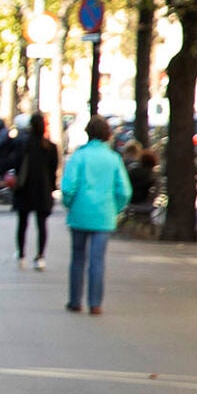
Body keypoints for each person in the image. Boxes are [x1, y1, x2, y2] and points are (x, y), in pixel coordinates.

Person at [59, 116, 132, 315]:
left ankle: (75, 300)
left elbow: (68, 187)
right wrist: (115, 208)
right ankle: (95, 303)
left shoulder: (79, 157)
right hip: (104, 215)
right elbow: (124, 191)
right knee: (97, 260)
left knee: (78, 258)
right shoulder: (113, 158)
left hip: (80, 213)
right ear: (108, 135)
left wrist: (69, 204)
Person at [9, 111, 59, 269]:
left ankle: (21, 254)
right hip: (43, 190)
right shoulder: (50, 147)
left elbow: (15, 163)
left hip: (25, 189)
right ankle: (40, 256)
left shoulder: (22, 144)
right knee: (41, 224)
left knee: (22, 223)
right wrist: (51, 189)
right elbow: (53, 171)